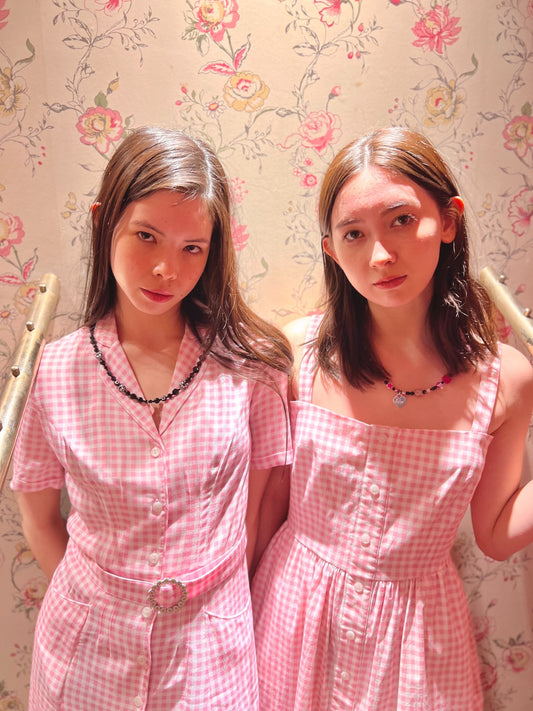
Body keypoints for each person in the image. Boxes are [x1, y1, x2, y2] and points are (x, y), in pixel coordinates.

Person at [251, 127, 533, 711]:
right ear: (332, 249)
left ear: (448, 221)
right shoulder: (299, 354)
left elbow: (495, 535)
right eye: (354, 233)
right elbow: (267, 507)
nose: (380, 256)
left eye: (401, 220)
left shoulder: (507, 379)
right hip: (293, 615)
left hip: (420, 638)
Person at [11, 126, 292, 711]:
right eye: (146, 236)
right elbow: (38, 519)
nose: (167, 268)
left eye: (193, 247)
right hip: (86, 652)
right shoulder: (54, 371)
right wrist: (102, 602)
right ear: (103, 223)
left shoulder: (254, 369)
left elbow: (259, 513)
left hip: (214, 648)